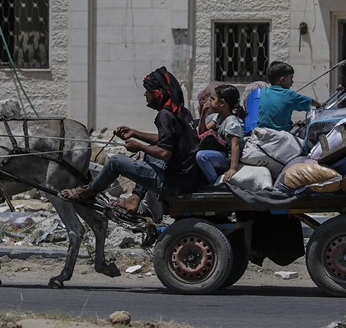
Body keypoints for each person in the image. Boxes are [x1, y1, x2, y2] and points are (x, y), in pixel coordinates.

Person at [60, 66, 201, 217]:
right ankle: (135, 199)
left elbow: (165, 152)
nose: (145, 95)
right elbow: (166, 140)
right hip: (188, 177)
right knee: (151, 154)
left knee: (116, 162)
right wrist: (134, 133)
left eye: (147, 91)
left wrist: (138, 146)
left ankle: (89, 192)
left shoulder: (165, 115)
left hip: (173, 183)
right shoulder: (181, 111)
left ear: (157, 93)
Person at [195, 84, 247, 184]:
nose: (210, 101)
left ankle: (213, 181)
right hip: (221, 152)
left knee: (201, 156)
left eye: (213, 99)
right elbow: (202, 132)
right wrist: (203, 114)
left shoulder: (231, 122)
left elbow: (235, 145)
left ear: (222, 103)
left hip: (228, 156)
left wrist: (232, 169)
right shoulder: (219, 117)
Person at [256, 61, 321, 131]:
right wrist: (319, 105)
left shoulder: (263, 92)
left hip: (261, 134)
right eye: (291, 78)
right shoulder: (289, 94)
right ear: (283, 80)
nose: (292, 81)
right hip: (280, 136)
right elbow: (310, 101)